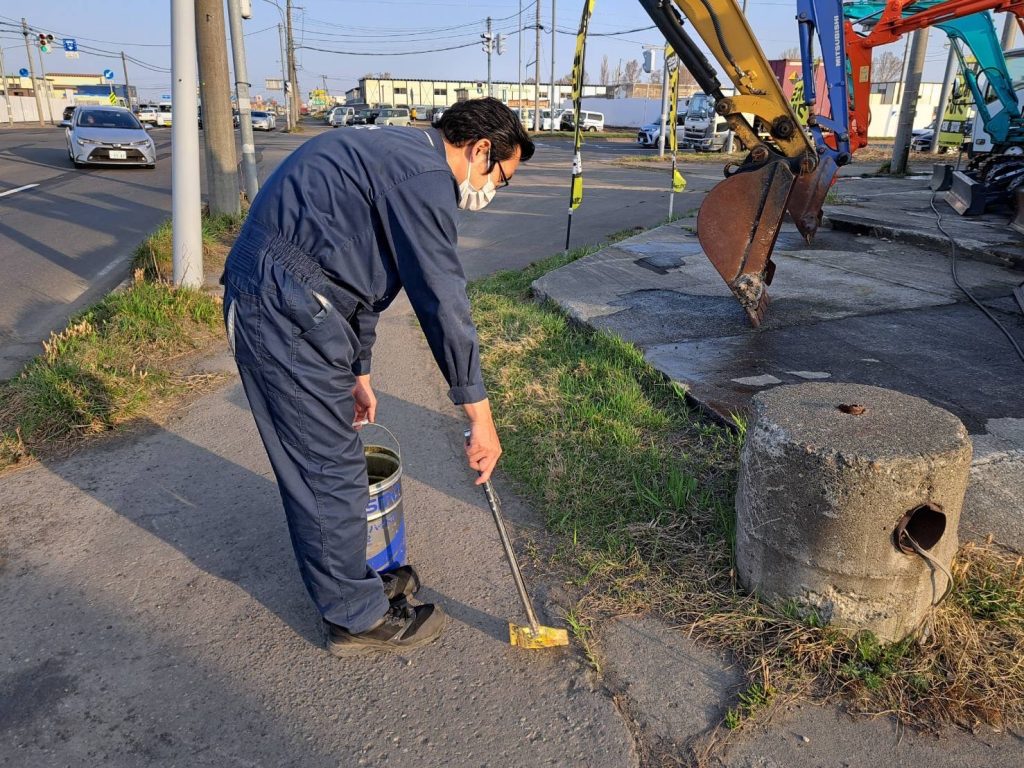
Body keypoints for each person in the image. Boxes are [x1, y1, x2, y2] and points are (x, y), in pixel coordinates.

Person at [221, 98, 535, 656]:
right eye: (501, 179)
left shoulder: (400, 155)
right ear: (481, 149)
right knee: (329, 468)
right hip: (280, 306)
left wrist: (358, 371)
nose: (491, 193)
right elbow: (442, 300)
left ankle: (353, 583)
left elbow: (365, 281)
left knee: (335, 459)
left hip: (302, 299)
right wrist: (479, 417)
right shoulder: (425, 176)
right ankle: (354, 617)